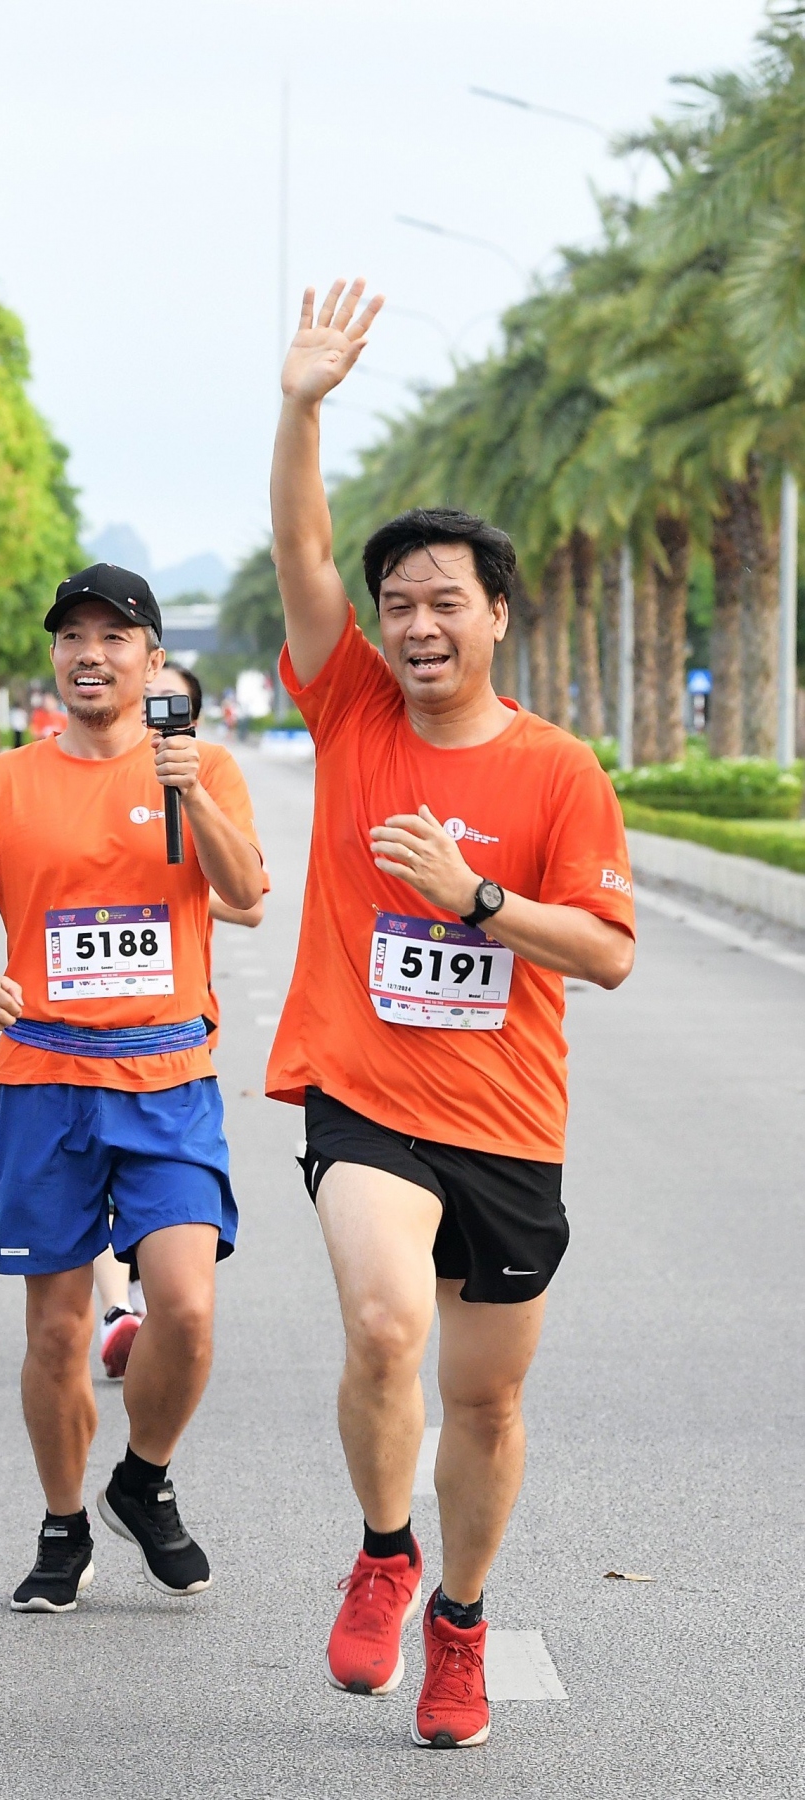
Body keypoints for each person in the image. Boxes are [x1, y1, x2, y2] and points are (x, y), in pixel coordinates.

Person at [265, 281, 636, 1748]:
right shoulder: (351, 711)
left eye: (443, 604)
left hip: (509, 1124)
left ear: (495, 616)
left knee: (482, 1410)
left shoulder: (556, 772)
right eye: (397, 604)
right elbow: (302, 546)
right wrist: (301, 405)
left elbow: (606, 955)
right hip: (367, 1098)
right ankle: (381, 1547)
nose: (416, 626)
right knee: (380, 1321)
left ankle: (462, 1626)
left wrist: (472, 902)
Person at [0, 564, 264, 1612]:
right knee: (60, 1332)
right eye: (72, 637)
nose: (90, 654)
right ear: (54, 657)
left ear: (154, 660)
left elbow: (245, 893)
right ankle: (64, 1525)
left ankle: (141, 1481)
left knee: (187, 1311)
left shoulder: (204, 771)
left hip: (169, 1079)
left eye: (116, 637)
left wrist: (187, 783)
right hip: (44, 1080)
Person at [93, 662, 267, 1381]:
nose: (171, 725)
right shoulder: (78, 773)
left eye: (183, 714)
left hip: (176, 1039)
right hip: (74, 1043)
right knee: (95, 1189)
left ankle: (149, 1306)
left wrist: (178, 899)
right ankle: (115, 1313)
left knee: (159, 1201)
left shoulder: (205, 781)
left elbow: (250, 900)